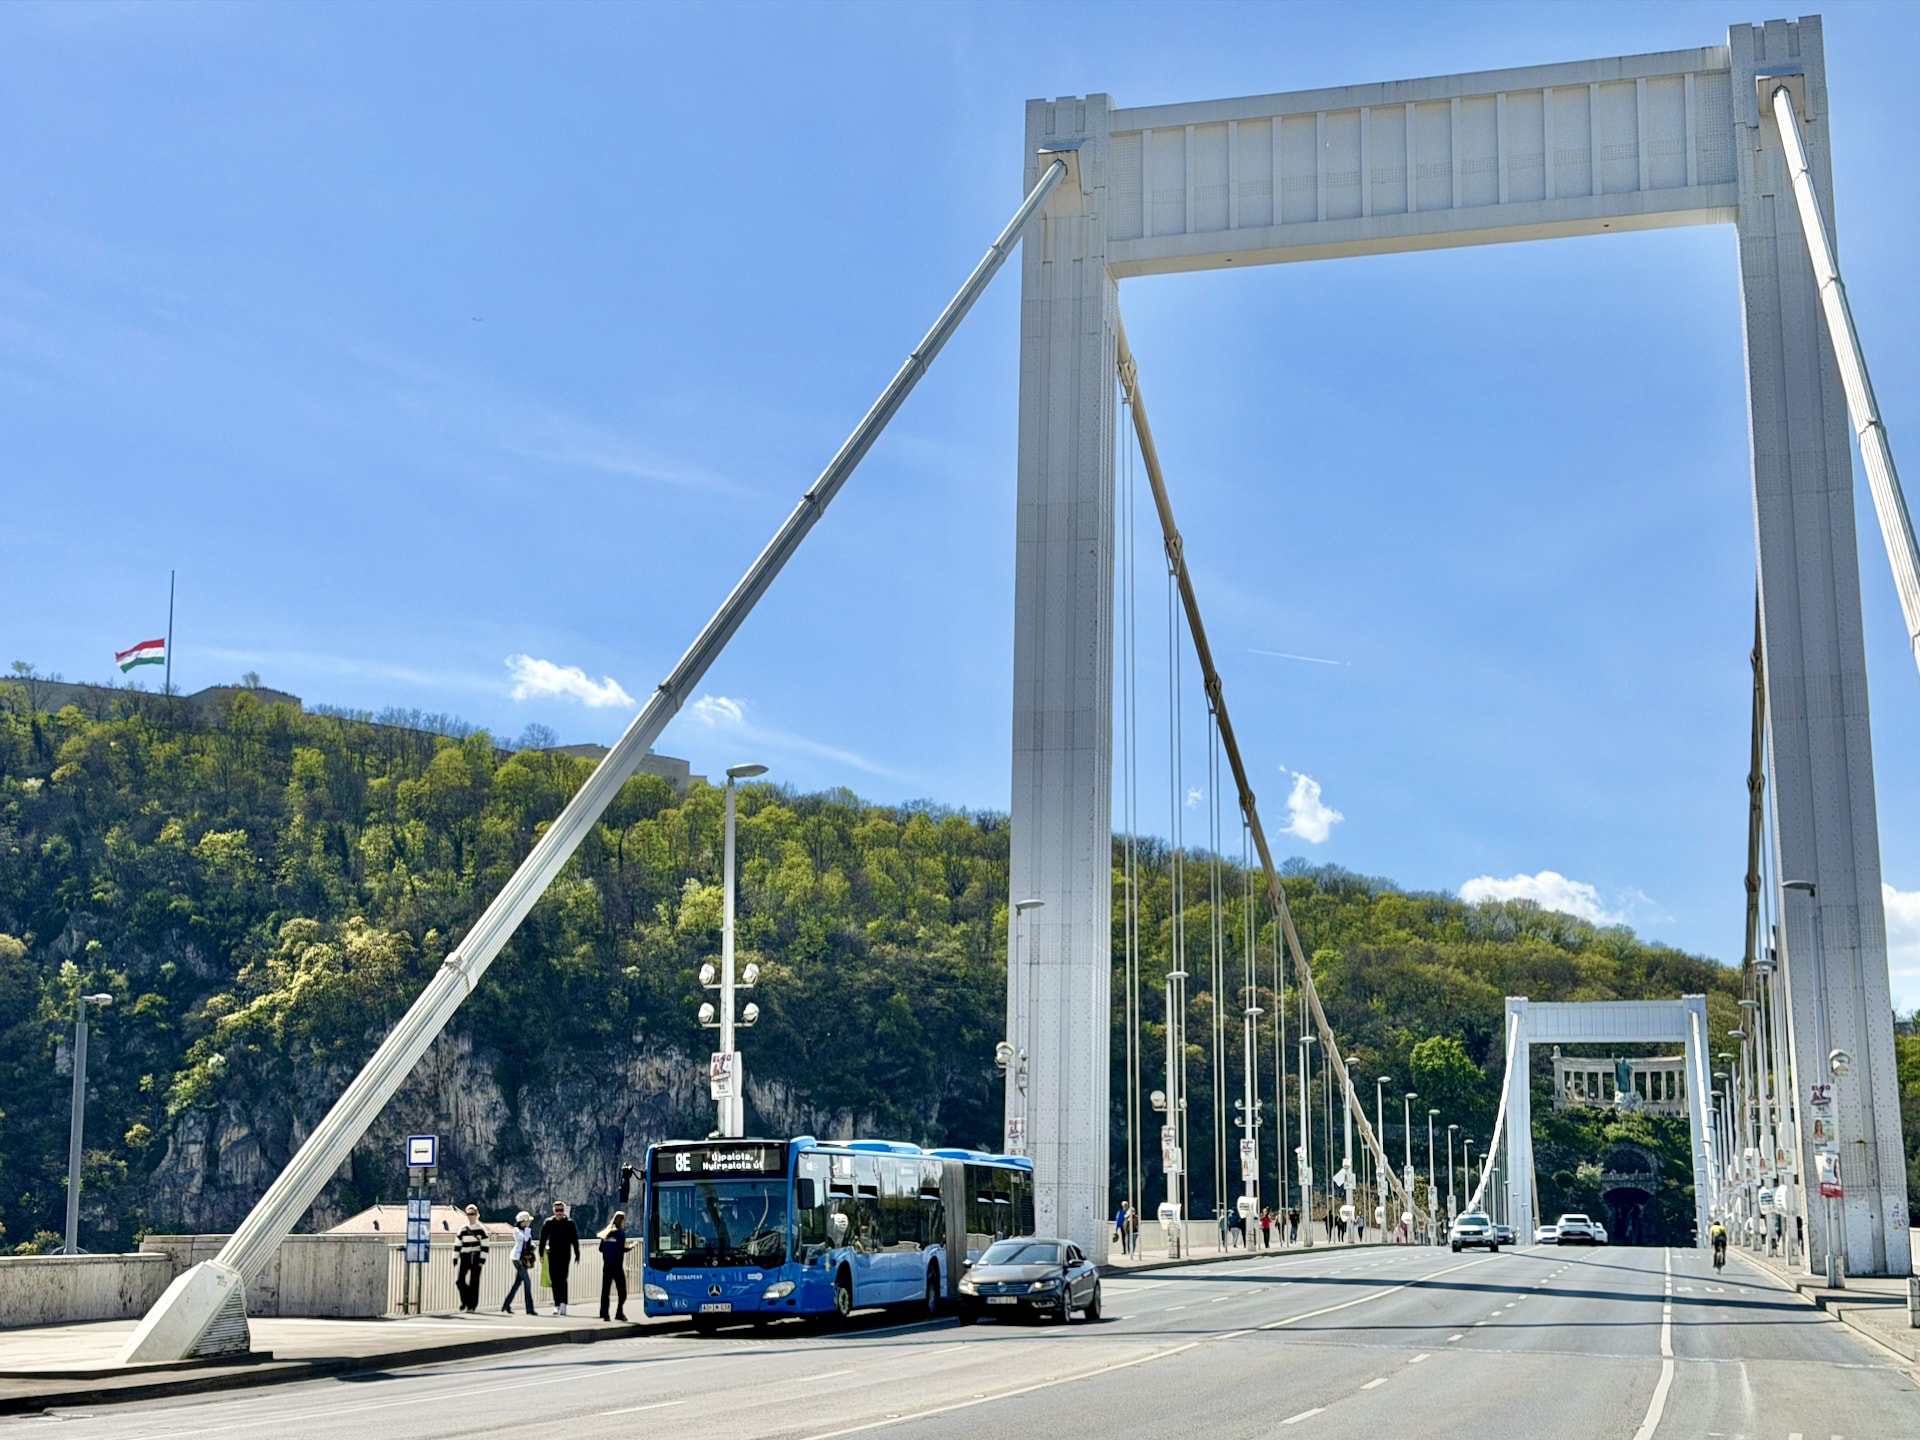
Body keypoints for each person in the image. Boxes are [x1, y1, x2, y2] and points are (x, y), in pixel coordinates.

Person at [541, 1200, 581, 1316]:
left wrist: (577, 1253)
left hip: (565, 1255)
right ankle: (556, 1304)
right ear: (553, 1211)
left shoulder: (569, 1223)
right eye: (557, 1210)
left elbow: (575, 1239)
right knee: (554, 1280)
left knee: (562, 1279)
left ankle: (563, 1304)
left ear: (564, 1211)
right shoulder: (548, 1222)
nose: (559, 1213)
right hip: (552, 1254)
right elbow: (543, 1238)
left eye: (561, 1210)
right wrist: (540, 1253)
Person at [454, 1204, 488, 1312]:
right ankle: (465, 1300)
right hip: (465, 1256)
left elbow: (485, 1246)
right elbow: (458, 1243)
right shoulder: (463, 1229)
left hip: (476, 1256)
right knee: (459, 1281)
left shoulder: (481, 1229)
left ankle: (472, 1305)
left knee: (474, 1281)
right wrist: (455, 1257)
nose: (470, 1216)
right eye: (468, 1214)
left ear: (477, 1215)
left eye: (472, 1214)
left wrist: (482, 1260)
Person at [503, 1210, 538, 1315]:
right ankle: (529, 1309)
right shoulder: (517, 1230)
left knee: (518, 1283)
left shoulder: (525, 1230)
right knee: (527, 1282)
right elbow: (524, 1240)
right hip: (518, 1258)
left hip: (523, 1258)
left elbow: (529, 1243)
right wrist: (527, 1231)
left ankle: (506, 1305)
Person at [599, 1210, 632, 1321]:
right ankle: (619, 1312)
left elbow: (600, 1249)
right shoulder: (620, 1233)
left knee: (605, 1291)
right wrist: (630, 1247)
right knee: (622, 1292)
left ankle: (604, 1313)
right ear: (622, 1221)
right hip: (617, 1266)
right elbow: (620, 1249)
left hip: (607, 1266)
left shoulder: (606, 1232)